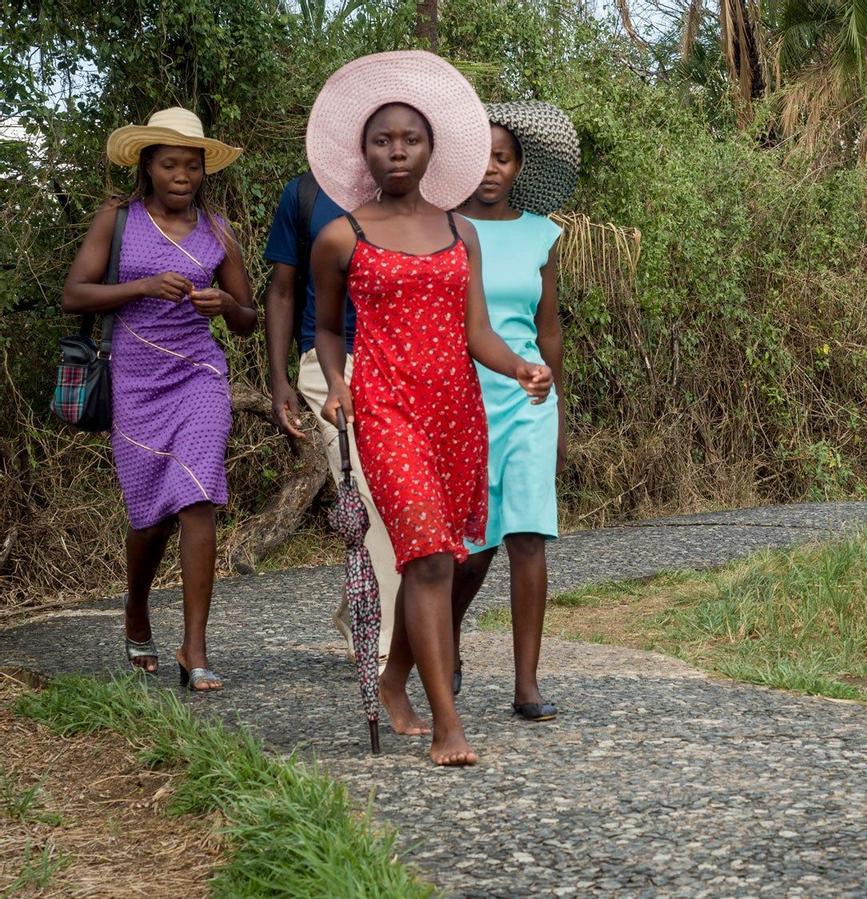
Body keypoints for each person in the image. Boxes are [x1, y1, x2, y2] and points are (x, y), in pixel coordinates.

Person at [306, 51, 552, 765]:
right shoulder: (340, 235)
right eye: (382, 140)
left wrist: (522, 366)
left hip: (457, 410)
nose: (396, 151)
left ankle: (394, 679)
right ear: (364, 151)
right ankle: (449, 724)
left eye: (409, 139)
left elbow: (478, 332)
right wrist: (337, 383)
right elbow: (326, 327)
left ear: (431, 147)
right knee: (429, 559)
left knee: (458, 558)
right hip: (386, 408)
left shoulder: (461, 231)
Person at [61, 107, 257, 691]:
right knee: (149, 518)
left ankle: (194, 647)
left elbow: (247, 317)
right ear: (147, 167)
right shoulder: (117, 219)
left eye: (192, 167)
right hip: (136, 381)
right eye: (170, 164)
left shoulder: (218, 231)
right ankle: (137, 608)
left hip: (199, 374)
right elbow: (75, 294)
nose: (183, 176)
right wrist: (143, 286)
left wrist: (225, 305)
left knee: (199, 498)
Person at [450, 101, 580, 721]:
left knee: (528, 537)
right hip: (462, 394)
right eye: (478, 157)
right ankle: (442, 638)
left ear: (519, 166)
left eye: (501, 157)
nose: (490, 169)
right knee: (473, 546)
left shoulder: (540, 233)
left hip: (529, 396)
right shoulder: (443, 229)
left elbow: (547, 331)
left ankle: (526, 684)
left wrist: (558, 412)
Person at [263, 168, 401, 670]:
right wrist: (279, 379)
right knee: (368, 493)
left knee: (399, 495)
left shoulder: (411, 188)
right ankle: (383, 644)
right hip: (328, 363)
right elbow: (282, 289)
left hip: (400, 360)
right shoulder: (303, 193)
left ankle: (355, 609)